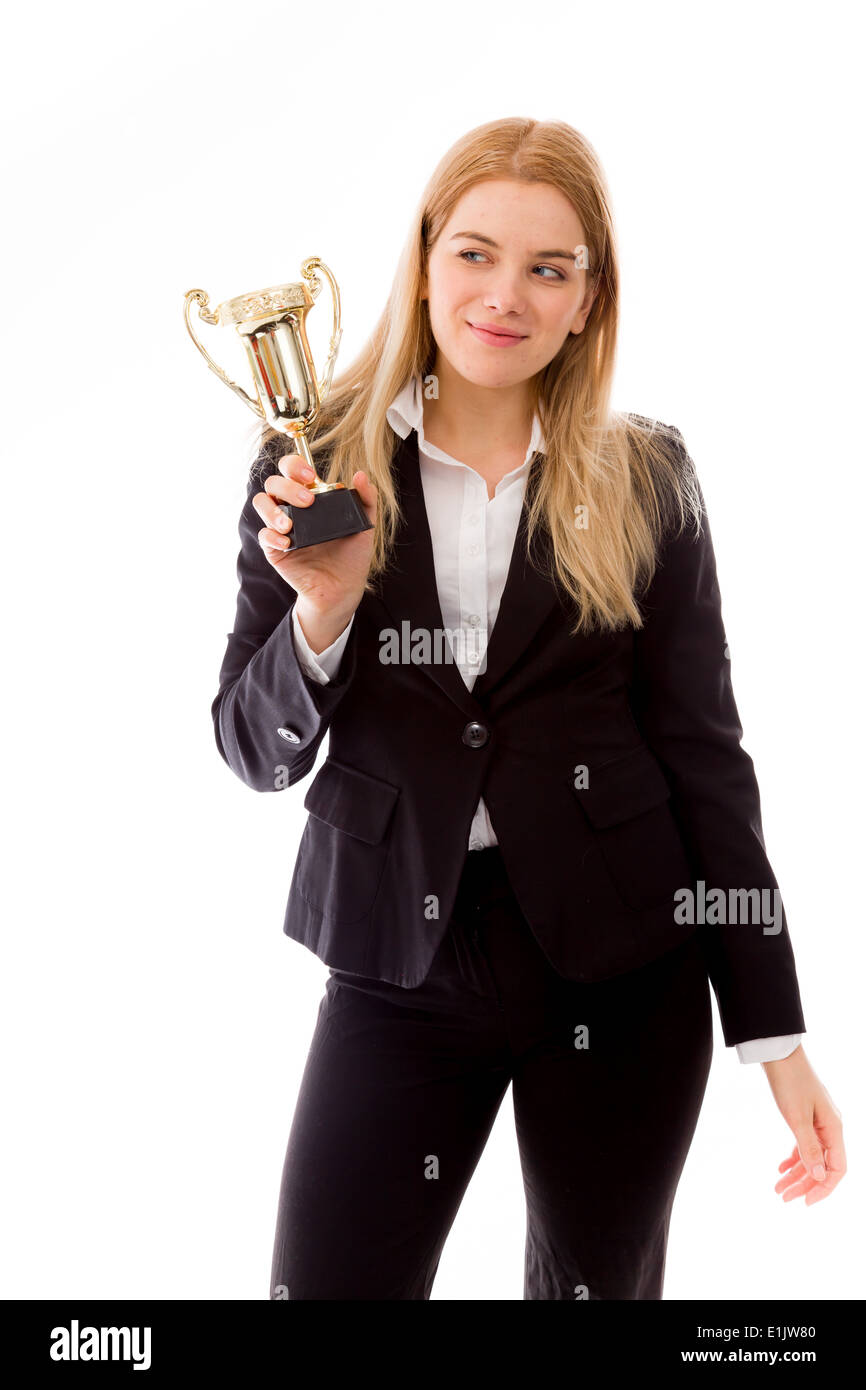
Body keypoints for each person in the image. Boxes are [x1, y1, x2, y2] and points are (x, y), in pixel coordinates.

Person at [212, 117, 845, 1300]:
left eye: (546, 269)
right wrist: (323, 618)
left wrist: (775, 1031)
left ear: (585, 300)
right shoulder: (311, 464)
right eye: (475, 253)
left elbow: (706, 754)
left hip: (622, 966)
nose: (504, 294)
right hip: (400, 965)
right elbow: (250, 750)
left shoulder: (647, 474)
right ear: (424, 258)